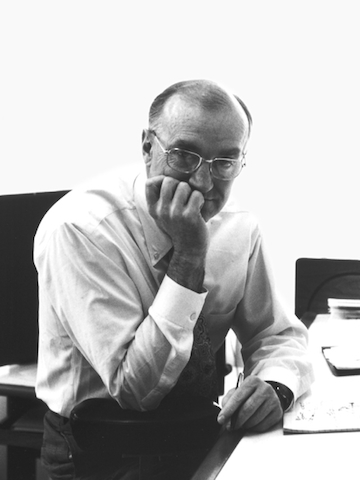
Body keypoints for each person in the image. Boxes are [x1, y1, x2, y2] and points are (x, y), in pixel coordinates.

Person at [34, 79, 314, 479]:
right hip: (97, 446)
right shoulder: (80, 228)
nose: (203, 183)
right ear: (148, 147)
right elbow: (136, 390)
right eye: (185, 155)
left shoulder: (238, 225)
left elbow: (277, 335)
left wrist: (275, 387)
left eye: (224, 163)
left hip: (202, 432)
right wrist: (189, 256)